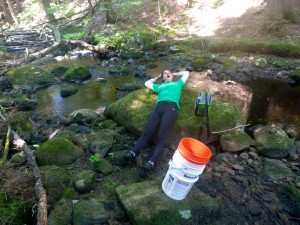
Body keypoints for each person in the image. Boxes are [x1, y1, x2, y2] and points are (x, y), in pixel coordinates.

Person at [124, 69, 190, 174]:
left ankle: (152, 161)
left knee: (162, 136)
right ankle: (134, 152)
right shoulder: (159, 87)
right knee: (147, 132)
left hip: (171, 108)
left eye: (169, 72)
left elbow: (186, 73)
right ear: (162, 77)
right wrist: (157, 77)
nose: (167, 74)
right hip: (158, 108)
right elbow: (147, 83)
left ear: (172, 76)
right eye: (165, 73)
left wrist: (175, 73)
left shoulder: (178, 83)